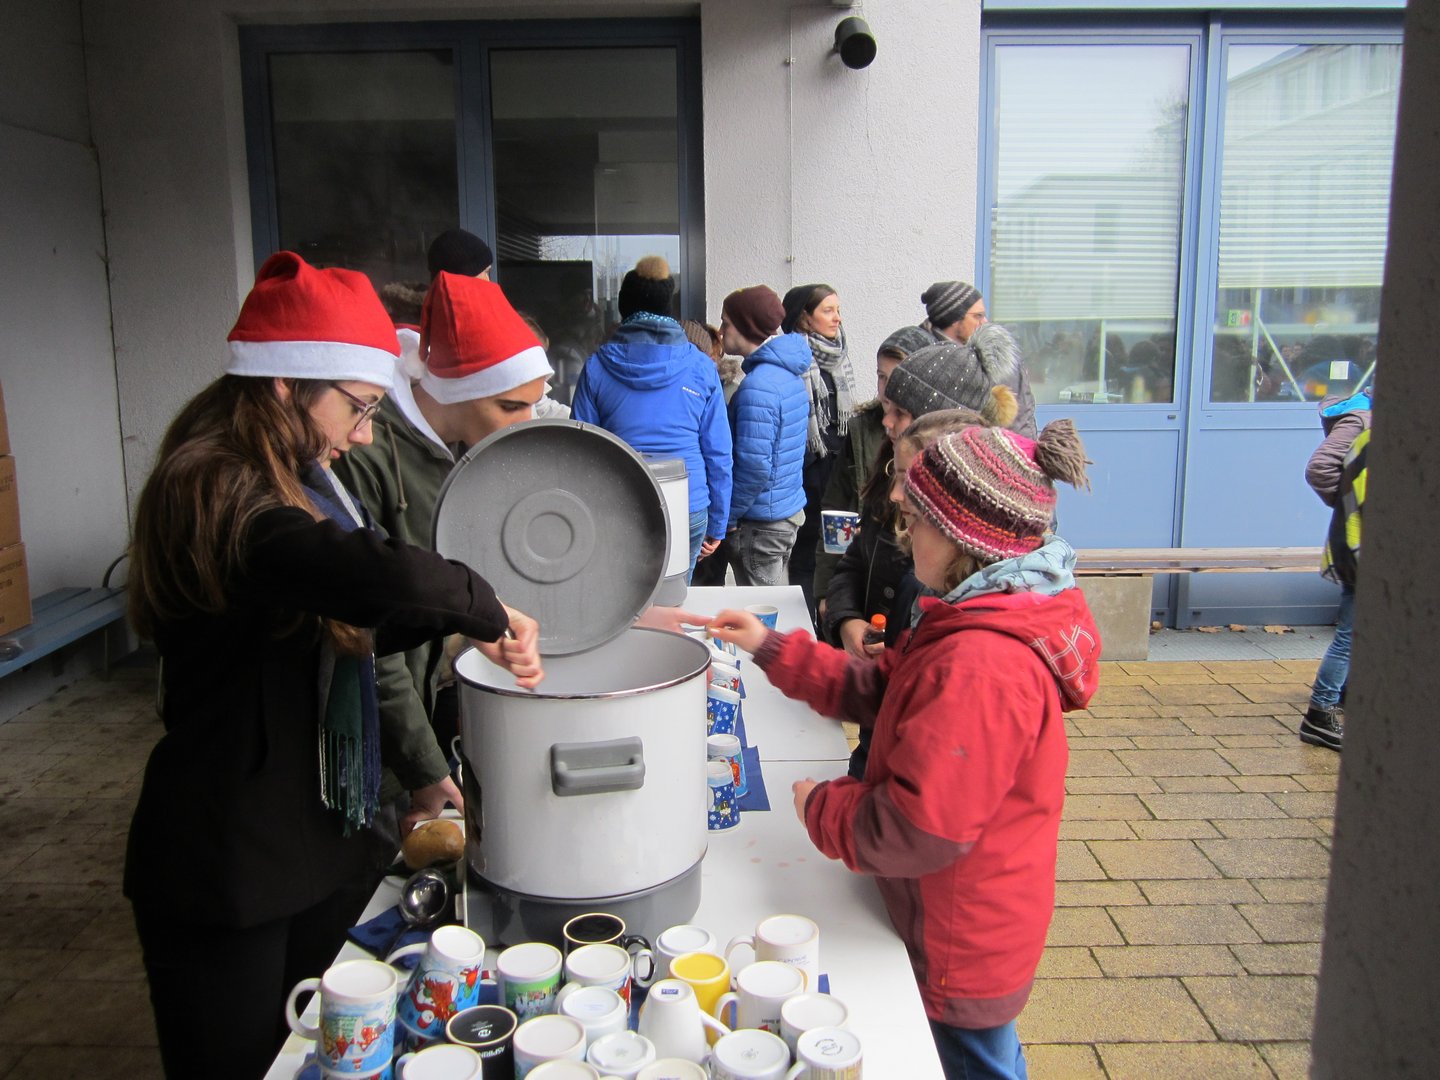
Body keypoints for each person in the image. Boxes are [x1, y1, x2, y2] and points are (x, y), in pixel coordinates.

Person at [124, 251, 543, 1080]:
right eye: (357, 407)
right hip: (224, 859)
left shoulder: (295, 479)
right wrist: (480, 605)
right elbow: (360, 574)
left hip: (300, 839)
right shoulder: (214, 488)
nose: (363, 435)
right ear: (286, 386)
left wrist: (463, 632)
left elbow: (329, 630)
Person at [707, 418, 1099, 1080]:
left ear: (962, 538)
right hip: (952, 917)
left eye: (913, 520)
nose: (900, 530)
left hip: (958, 944)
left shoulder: (981, 664)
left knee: (974, 1062)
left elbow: (918, 828)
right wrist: (771, 647)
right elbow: (880, 689)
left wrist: (823, 806)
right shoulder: (966, 618)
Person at [335, 271, 553, 776]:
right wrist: (424, 768)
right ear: (459, 391)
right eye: (510, 406)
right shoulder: (366, 455)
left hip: (426, 688)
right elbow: (364, 628)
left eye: (533, 405)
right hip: (368, 726)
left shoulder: (467, 449)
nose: (525, 423)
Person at [572, 256, 732, 577]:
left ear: (624, 308)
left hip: (620, 504)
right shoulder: (701, 367)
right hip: (688, 503)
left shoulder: (597, 367)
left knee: (623, 596)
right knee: (676, 594)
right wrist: (718, 522)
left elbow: (581, 451)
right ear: (668, 308)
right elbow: (718, 452)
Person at [813, 325, 932, 624]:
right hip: (861, 589)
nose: (887, 390)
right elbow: (836, 514)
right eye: (881, 377)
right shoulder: (862, 430)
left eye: (897, 379)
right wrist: (830, 597)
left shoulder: (940, 449)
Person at [717, 285, 811, 586]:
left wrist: (727, 516)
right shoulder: (786, 374)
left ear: (746, 326)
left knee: (760, 610)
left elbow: (755, 467)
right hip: (782, 514)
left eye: (726, 323)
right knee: (770, 603)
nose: (720, 331)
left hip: (762, 524)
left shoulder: (758, 387)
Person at [782, 284, 858, 622]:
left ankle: (836, 621)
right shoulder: (794, 361)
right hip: (808, 474)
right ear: (803, 317)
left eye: (838, 310)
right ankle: (808, 626)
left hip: (841, 473)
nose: (837, 318)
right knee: (808, 554)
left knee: (841, 552)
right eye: (828, 310)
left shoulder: (839, 356)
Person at [1301, 387, 1372, 751]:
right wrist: (1347, 504)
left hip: (1359, 542)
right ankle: (1320, 713)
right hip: (1360, 545)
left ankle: (1340, 696)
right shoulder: (1364, 421)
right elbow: (1319, 469)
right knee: (1350, 633)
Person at [921, 281, 1037, 436]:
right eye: (978, 316)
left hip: (1003, 447)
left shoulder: (1000, 357)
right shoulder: (922, 358)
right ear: (953, 319)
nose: (985, 322)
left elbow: (1022, 421)